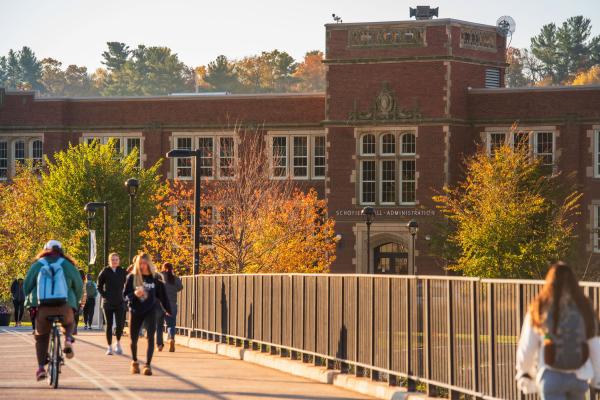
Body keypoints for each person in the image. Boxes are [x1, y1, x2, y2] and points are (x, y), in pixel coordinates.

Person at [516, 262, 600, 399]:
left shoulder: (540, 307)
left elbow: (527, 346)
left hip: (550, 377)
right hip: (579, 377)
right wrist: (597, 379)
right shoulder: (584, 307)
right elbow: (595, 344)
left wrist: (524, 372)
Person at [23, 240, 83, 381]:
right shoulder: (67, 264)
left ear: (45, 250)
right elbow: (79, 286)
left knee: (41, 337)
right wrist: (75, 302)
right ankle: (68, 340)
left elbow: (26, 286)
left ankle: (40, 369)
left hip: (43, 308)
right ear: (61, 250)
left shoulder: (39, 264)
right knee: (69, 323)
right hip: (65, 306)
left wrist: (31, 300)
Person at [124, 253, 171, 376]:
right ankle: (134, 362)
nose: (143, 266)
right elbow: (124, 296)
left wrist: (168, 309)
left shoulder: (155, 279)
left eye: (145, 263)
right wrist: (134, 294)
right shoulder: (132, 278)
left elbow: (163, 296)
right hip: (135, 310)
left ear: (149, 264)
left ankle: (147, 365)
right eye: (140, 263)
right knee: (133, 339)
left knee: (150, 337)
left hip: (150, 310)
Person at [97, 253, 127, 355]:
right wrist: (105, 295)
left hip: (120, 302)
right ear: (109, 261)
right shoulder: (105, 271)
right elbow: (99, 286)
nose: (114, 261)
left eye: (116, 260)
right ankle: (109, 347)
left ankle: (118, 344)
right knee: (109, 325)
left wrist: (125, 295)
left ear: (119, 261)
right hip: (108, 303)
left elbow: (128, 284)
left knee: (120, 325)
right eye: (113, 260)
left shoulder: (122, 271)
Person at [156, 262, 183, 352]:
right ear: (172, 268)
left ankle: (159, 345)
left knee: (159, 326)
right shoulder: (174, 278)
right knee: (171, 324)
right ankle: (171, 338)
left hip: (159, 304)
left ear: (163, 268)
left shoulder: (159, 276)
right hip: (171, 304)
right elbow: (180, 287)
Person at [73, 269, 85, 335]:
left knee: (72, 313)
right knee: (76, 314)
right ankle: (75, 328)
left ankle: (73, 327)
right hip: (79, 300)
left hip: (73, 299)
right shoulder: (83, 281)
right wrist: (83, 302)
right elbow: (84, 292)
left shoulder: (75, 279)